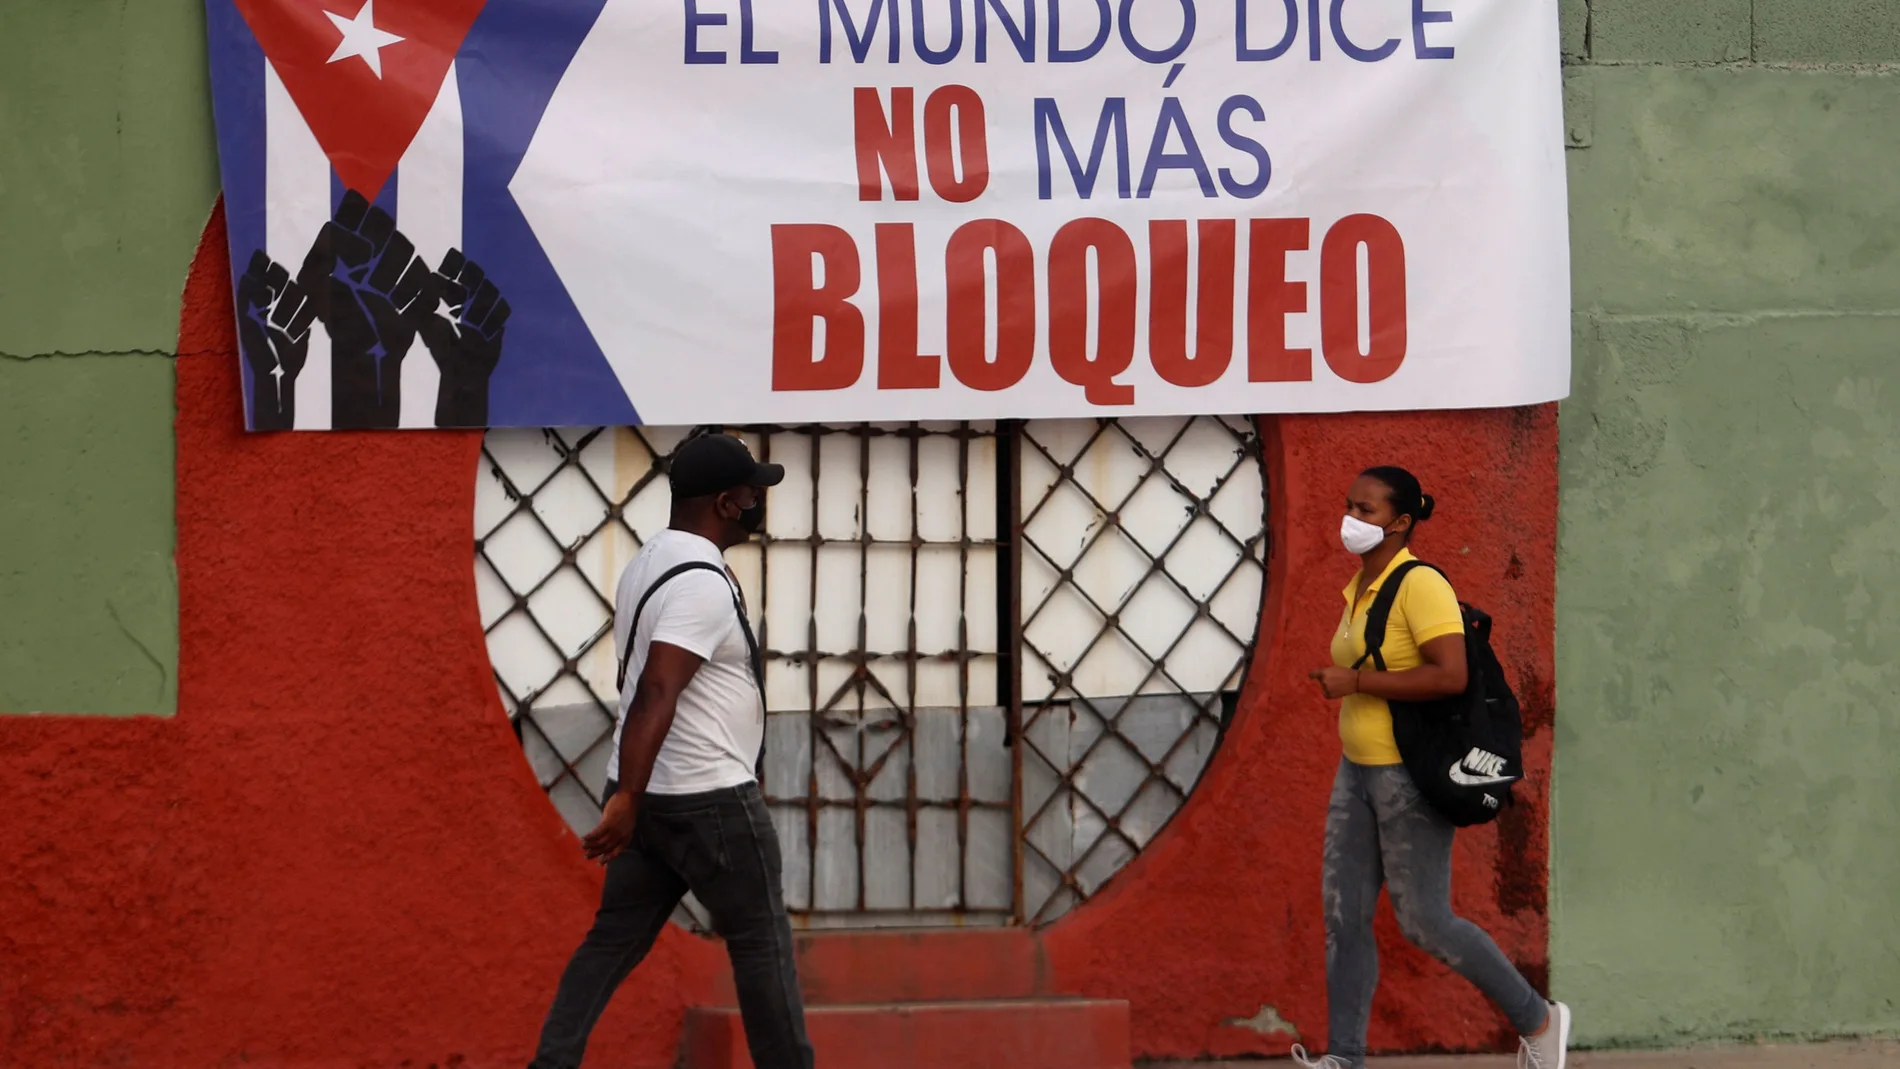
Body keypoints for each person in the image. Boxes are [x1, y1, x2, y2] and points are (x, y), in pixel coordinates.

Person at [528, 431, 813, 1069]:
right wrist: (627, 797)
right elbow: (658, 685)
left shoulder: (646, 563)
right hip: (705, 800)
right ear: (723, 502)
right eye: (750, 492)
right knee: (762, 946)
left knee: (611, 942)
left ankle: (551, 1063)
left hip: (650, 798)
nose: (756, 503)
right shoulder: (703, 584)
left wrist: (631, 796)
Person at [1297, 466, 1571, 1069]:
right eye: (1349, 506)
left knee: (1425, 921)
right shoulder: (1360, 586)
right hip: (1357, 771)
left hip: (1408, 776)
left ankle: (1540, 1020)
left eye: (1365, 511)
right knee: (1343, 916)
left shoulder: (1418, 585)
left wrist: (1357, 681)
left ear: (1400, 522)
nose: (1351, 519)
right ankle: (1344, 1057)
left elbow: (1452, 674)